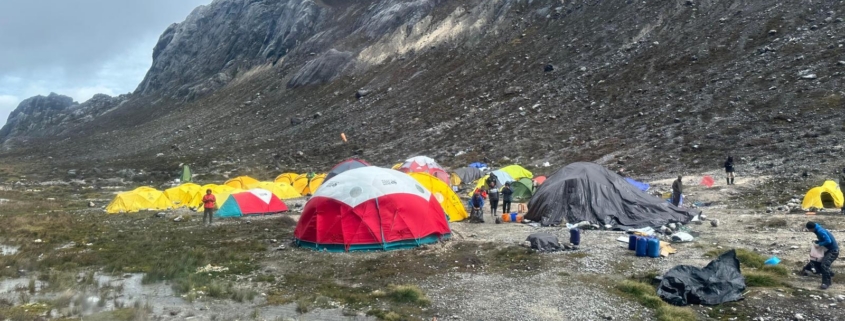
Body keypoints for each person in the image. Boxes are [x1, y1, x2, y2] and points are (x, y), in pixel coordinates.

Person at [803, 222, 839, 289]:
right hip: (827, 250)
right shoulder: (817, 229)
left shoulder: (820, 231)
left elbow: (828, 241)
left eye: (809, 230)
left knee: (824, 265)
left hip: (833, 251)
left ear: (811, 228)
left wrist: (819, 244)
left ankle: (826, 283)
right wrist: (818, 242)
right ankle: (829, 273)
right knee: (817, 261)